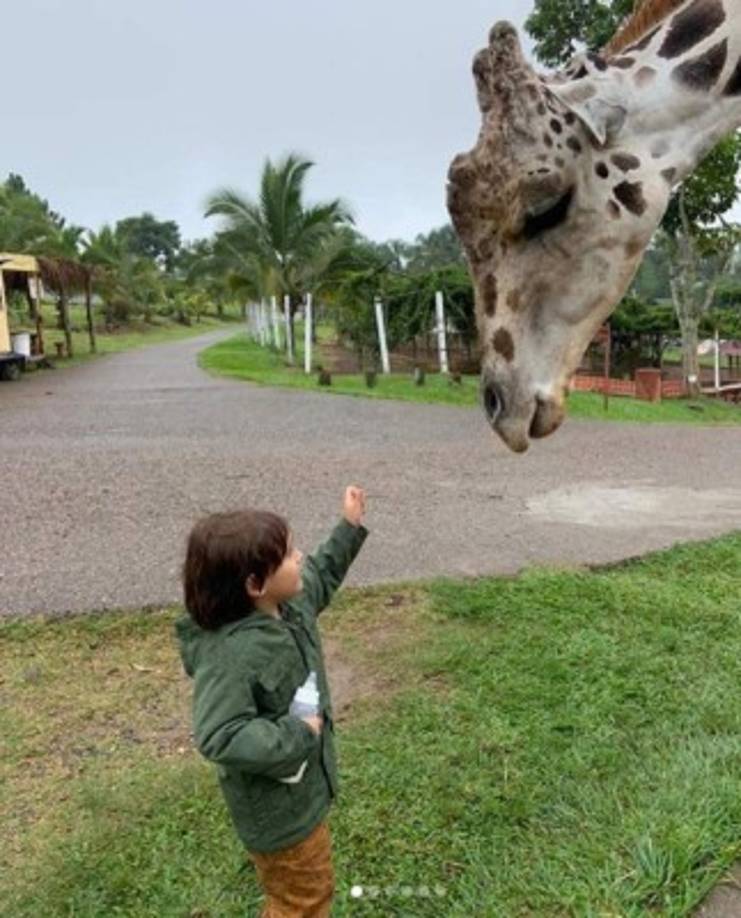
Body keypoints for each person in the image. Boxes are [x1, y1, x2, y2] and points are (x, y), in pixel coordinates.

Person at [176, 486, 368, 917]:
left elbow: (322, 571)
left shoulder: (289, 604)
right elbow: (219, 734)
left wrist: (348, 526)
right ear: (254, 583)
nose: (299, 557)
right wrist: (296, 733)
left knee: (304, 890)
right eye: (287, 555)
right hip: (279, 816)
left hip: (303, 792)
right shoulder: (231, 655)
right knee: (302, 900)